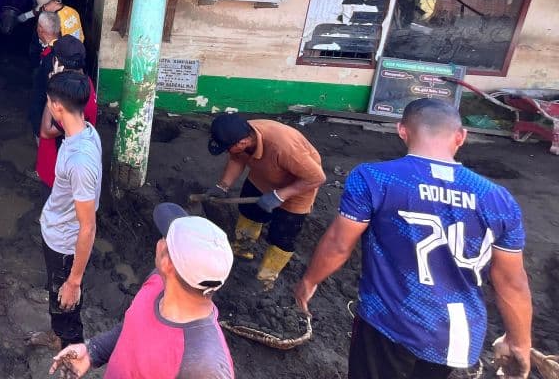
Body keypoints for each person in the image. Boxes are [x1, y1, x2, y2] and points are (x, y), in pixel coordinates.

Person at [294, 99, 533, 379]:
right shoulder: (498, 199)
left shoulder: (374, 178)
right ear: (461, 136)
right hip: (454, 334)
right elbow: (512, 282)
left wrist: (309, 281)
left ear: (402, 131)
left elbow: (338, 244)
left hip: (389, 322)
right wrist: (519, 342)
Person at [50, 203, 235, 379]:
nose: (160, 241)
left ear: (167, 263)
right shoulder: (159, 281)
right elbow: (133, 327)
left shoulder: (204, 366)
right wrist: (93, 351)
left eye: (165, 238)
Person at [203, 114, 325, 288]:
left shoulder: (284, 148)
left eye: (227, 148)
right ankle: (242, 247)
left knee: (281, 236)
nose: (226, 151)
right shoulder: (241, 133)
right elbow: (237, 159)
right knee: (249, 212)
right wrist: (223, 186)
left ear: (242, 143)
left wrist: (280, 195)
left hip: (298, 188)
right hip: (263, 177)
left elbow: (317, 178)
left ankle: (267, 276)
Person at [31, 71, 102, 351]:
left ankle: (70, 352)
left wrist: (74, 280)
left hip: (65, 244)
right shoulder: (85, 131)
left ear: (56, 106)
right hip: (57, 234)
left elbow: (88, 226)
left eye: (48, 101)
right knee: (56, 296)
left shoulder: (79, 161)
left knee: (66, 304)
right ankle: (57, 336)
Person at [37, 35, 98, 189]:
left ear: (57, 62)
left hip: (58, 174)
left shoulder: (68, 97)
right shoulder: (85, 83)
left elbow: (46, 132)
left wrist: (53, 88)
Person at [28, 11, 62, 140]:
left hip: (47, 118)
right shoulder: (62, 48)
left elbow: (46, 93)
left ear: (40, 30)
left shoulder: (51, 59)